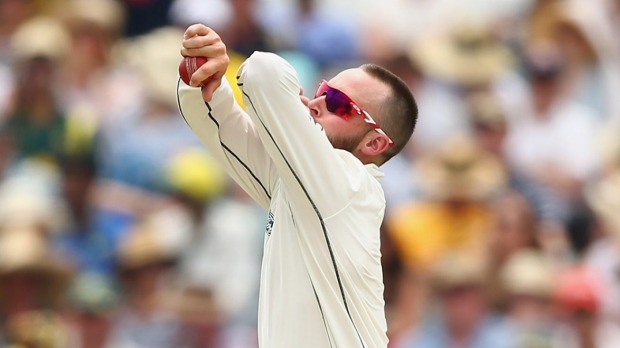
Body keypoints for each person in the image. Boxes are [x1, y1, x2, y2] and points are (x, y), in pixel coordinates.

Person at [176, 24, 418, 348]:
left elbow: (264, 74)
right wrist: (203, 76)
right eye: (322, 90)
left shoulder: (352, 185)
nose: (317, 102)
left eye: (338, 102)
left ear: (375, 143)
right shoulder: (298, 185)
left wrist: (283, 102)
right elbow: (217, 125)